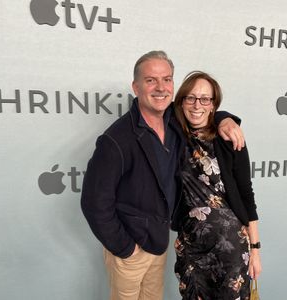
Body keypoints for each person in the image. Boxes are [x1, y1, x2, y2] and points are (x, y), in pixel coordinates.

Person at [80, 51, 245, 300]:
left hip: (159, 243)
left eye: (167, 79)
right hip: (130, 249)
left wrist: (225, 119)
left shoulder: (174, 122)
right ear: (135, 87)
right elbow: (94, 203)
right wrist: (125, 248)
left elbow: (202, 110)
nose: (160, 88)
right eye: (151, 80)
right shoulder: (116, 140)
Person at [172, 71, 261, 300]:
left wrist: (256, 249)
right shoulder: (172, 135)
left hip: (230, 247)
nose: (197, 105)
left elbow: (246, 195)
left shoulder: (229, 139)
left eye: (205, 99)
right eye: (190, 98)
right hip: (191, 246)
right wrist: (225, 116)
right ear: (181, 102)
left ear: (213, 104)